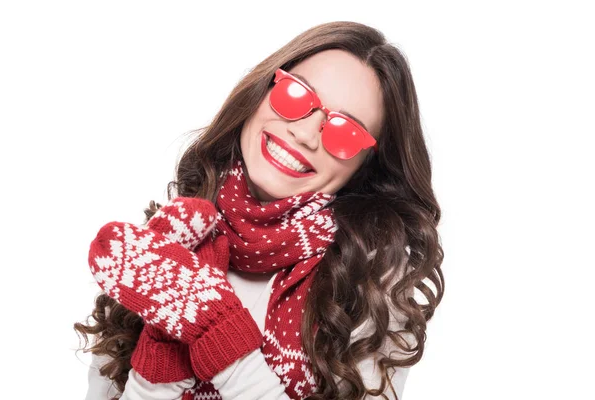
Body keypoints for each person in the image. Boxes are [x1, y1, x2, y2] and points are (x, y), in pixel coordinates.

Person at [74, 20, 445, 400]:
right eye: (297, 95)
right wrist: (162, 356)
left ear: (365, 164)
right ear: (262, 90)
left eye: (344, 131)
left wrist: (220, 336)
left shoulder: (372, 285)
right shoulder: (171, 241)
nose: (303, 133)